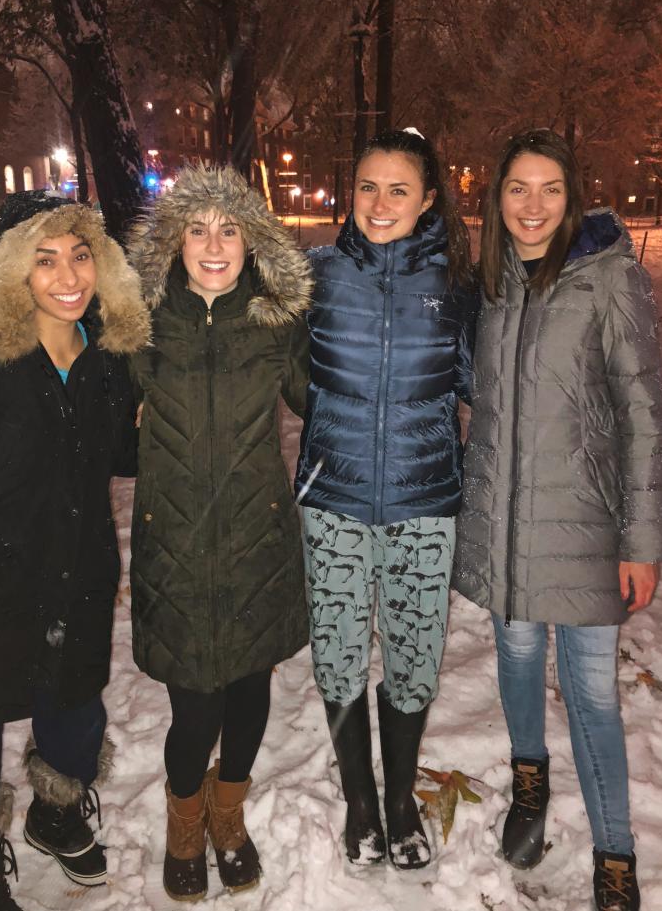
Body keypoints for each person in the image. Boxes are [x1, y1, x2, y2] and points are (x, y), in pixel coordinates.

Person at [453, 129, 662, 911]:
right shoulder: (492, 280)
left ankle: (614, 851)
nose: (532, 205)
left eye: (548, 188)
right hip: (508, 521)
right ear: (496, 196)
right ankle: (529, 785)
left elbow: (643, 413)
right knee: (513, 659)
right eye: (517, 188)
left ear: (570, 196)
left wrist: (642, 541)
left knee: (591, 691)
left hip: (588, 525)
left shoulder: (608, 276)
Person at [0, 190, 150, 911]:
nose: (66, 276)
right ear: (11, 272)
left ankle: (55, 812)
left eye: (80, 255)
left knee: (73, 710)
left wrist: (150, 425)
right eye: (43, 258)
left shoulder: (108, 361)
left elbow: (118, 453)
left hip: (75, 572)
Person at [128, 163, 312, 902]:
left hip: (255, 538)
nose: (213, 243)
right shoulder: (138, 322)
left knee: (245, 691)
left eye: (229, 228)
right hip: (171, 538)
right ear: (173, 242)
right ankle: (183, 819)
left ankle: (226, 811)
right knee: (193, 702)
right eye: (197, 229)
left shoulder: (274, 320)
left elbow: (324, 398)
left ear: (251, 241)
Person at [295, 129, 478, 869]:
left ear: (428, 198)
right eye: (366, 186)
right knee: (338, 659)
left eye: (397, 188)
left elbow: (485, 385)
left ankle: (399, 797)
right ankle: (359, 800)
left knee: (412, 660)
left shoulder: (457, 289)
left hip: (422, 503)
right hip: (332, 501)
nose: (378, 202)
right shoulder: (315, 275)